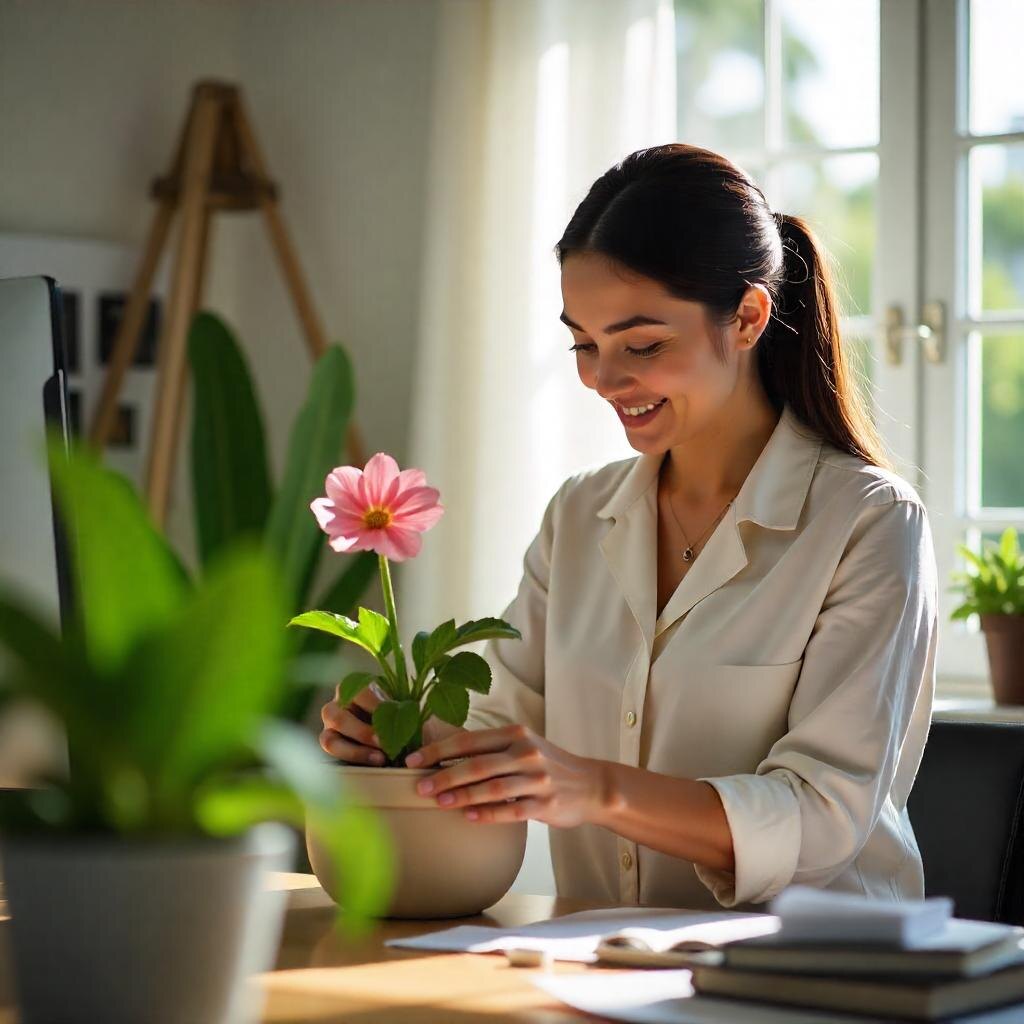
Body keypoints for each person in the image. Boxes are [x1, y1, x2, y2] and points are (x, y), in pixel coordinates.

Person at [319, 143, 938, 912]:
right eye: (584, 344)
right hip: (604, 957)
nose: (604, 380)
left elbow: (823, 815)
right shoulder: (579, 516)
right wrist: (401, 736)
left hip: (814, 966)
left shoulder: (869, 523)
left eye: (642, 345)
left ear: (748, 318)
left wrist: (599, 790)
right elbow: (500, 724)